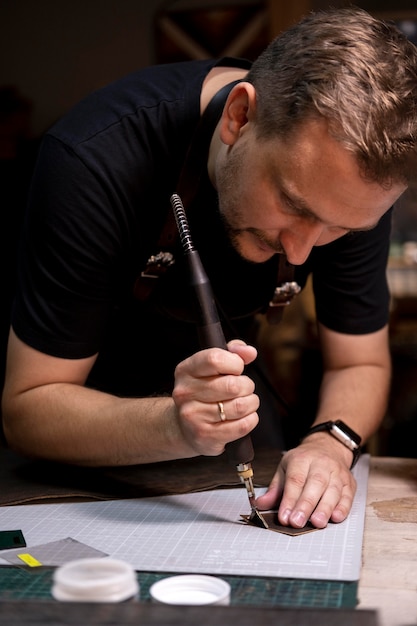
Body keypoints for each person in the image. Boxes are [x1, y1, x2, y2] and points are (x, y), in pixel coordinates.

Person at [2, 6, 417, 530]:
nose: (301, 252)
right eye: (293, 205)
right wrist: (175, 425)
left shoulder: (352, 191)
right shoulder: (92, 157)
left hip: (230, 423)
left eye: (340, 230)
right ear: (239, 116)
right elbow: (28, 410)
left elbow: (359, 363)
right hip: (78, 450)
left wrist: (330, 443)